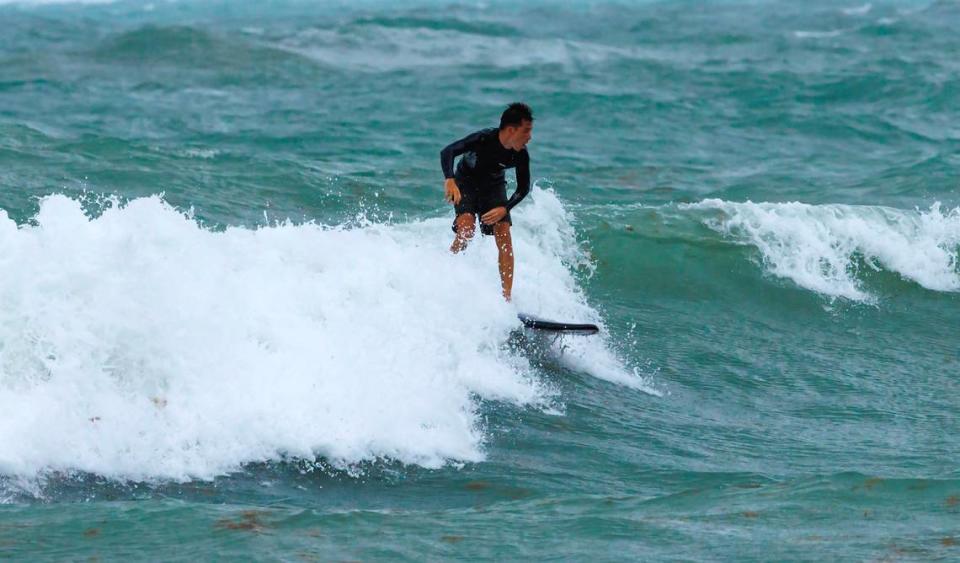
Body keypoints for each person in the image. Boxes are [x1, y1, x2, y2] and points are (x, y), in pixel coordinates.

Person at [440, 102, 534, 302]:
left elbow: (523, 188)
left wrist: (504, 209)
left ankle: (506, 298)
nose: (530, 137)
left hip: (493, 186)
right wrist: (449, 179)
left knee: (504, 234)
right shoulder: (483, 138)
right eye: (526, 131)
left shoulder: (521, 154)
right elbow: (447, 152)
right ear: (511, 130)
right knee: (466, 228)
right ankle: (445, 270)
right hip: (466, 182)